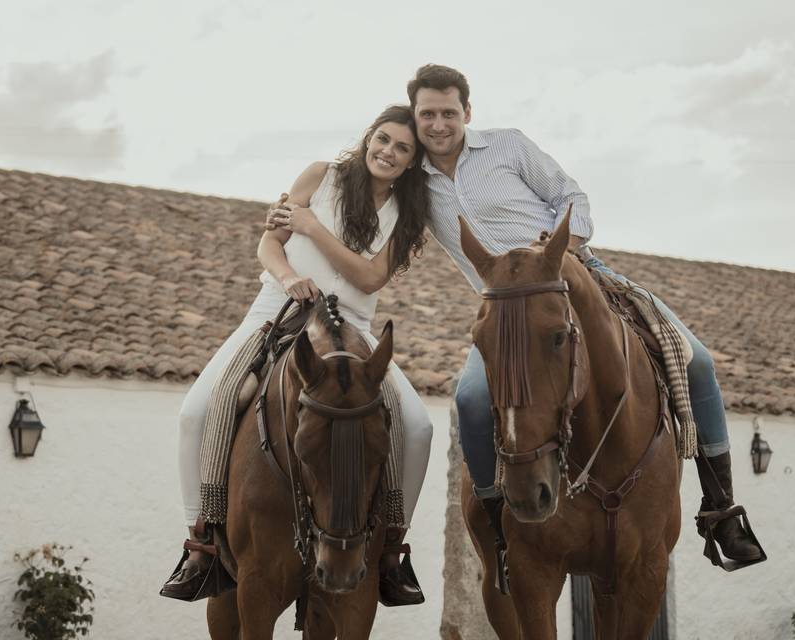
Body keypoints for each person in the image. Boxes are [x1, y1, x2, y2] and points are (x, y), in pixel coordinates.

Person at [271, 65, 762, 565]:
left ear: (466, 111)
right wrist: (292, 213)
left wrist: (561, 243)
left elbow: (572, 196)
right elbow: (364, 189)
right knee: (470, 398)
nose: (437, 124)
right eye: (427, 115)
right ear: (415, 118)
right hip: (504, 308)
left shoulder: (509, 146)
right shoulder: (412, 183)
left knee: (696, 360)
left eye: (447, 113)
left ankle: (721, 510)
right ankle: (494, 527)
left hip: (574, 277)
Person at [161, 105, 433, 605]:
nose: (388, 152)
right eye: (383, 139)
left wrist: (311, 228)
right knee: (197, 411)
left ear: (413, 161)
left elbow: (371, 278)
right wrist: (289, 278)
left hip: (352, 326)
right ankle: (199, 541)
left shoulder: (409, 213)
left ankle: (392, 547)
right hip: (277, 307)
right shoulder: (319, 176)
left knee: (417, 425)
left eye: (402, 148)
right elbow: (269, 244)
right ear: (368, 136)